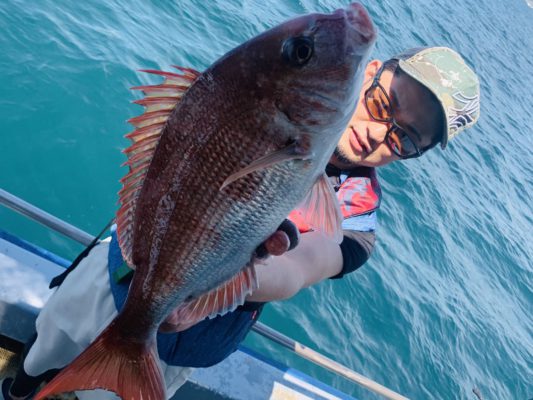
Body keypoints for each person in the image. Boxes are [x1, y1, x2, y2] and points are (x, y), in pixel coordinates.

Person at [1, 46, 480, 400]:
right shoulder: (266, 101)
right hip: (123, 269)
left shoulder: (358, 212)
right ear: (369, 72)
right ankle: (20, 390)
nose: (378, 133)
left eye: (404, 140)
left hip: (184, 340)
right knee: (47, 345)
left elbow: (298, 269)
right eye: (381, 105)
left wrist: (232, 278)